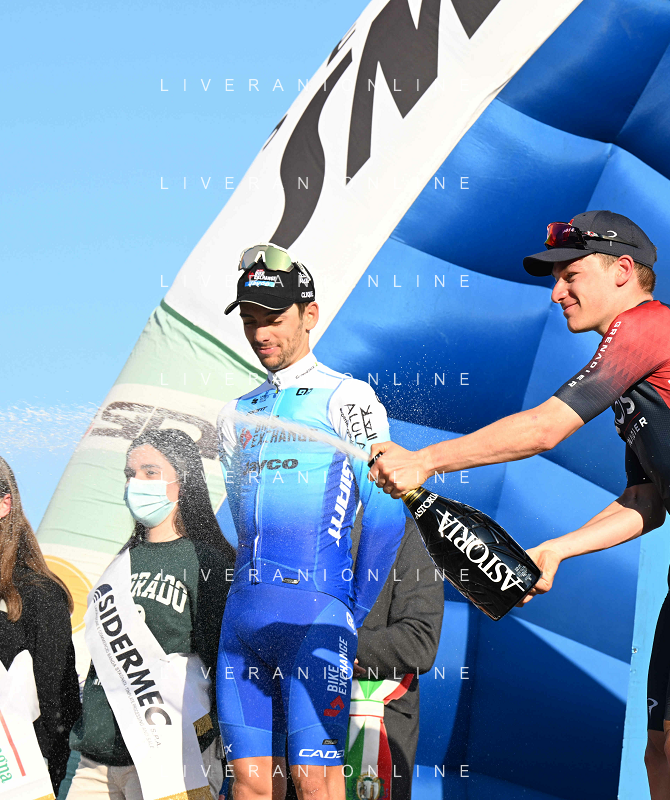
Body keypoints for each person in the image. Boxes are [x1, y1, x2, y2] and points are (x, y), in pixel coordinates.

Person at [369, 211, 670, 800]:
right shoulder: (641, 367)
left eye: (570, 275)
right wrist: (557, 550)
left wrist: (425, 460)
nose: (557, 293)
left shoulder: (649, 326)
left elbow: (545, 429)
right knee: (659, 755)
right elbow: (645, 503)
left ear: (622, 270)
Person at [216, 244, 406, 800]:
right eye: (250, 321)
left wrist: (350, 610)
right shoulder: (234, 412)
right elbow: (243, 522)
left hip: (315, 614)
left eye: (273, 319)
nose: (260, 333)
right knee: (250, 786)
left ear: (310, 314)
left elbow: (388, 513)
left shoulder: (348, 397)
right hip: (242, 620)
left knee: (315, 783)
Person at [66, 429, 233, 800]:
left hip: (171, 754)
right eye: (130, 473)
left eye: (150, 472)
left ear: (183, 481)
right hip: (96, 758)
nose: (136, 482)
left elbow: (224, 664)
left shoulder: (208, 562)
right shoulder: (119, 565)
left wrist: (209, 737)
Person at [0, 449, 79, 798]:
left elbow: (58, 696)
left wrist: (51, 774)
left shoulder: (37, 591)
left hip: (4, 769)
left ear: (4, 505)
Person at [350, 517, 443, 800]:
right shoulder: (291, 525)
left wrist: (340, 644)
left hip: (377, 723)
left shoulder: (409, 534)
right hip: (294, 723)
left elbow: (419, 642)